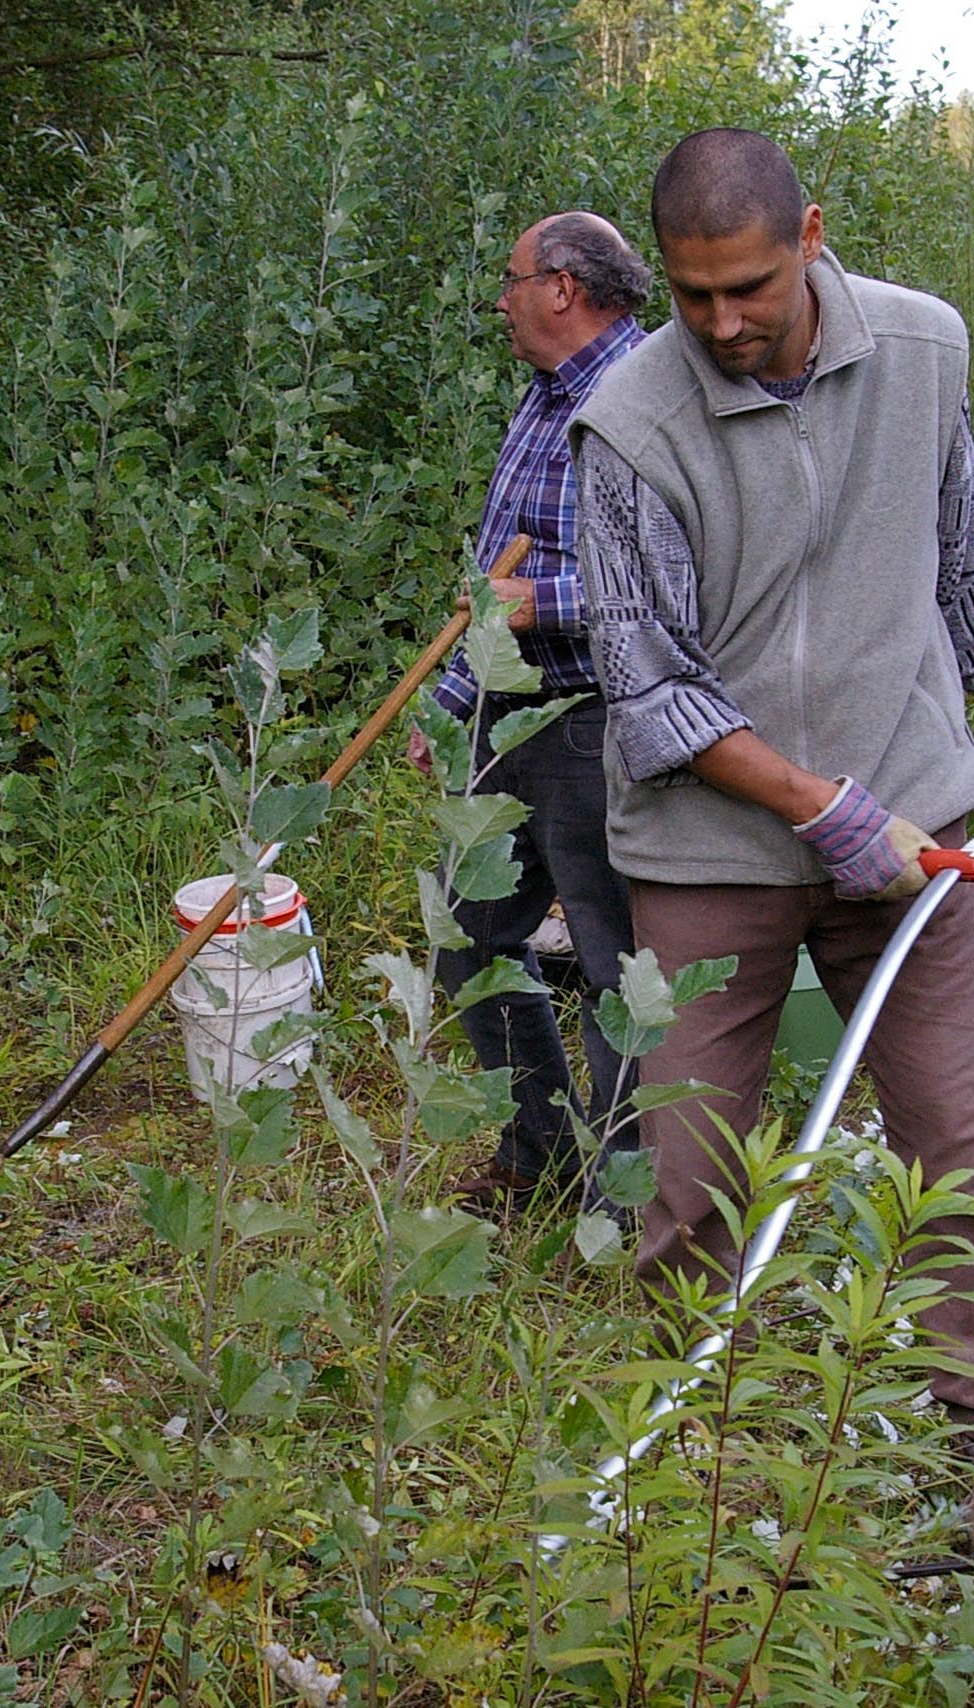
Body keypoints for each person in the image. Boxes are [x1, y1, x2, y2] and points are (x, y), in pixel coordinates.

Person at [570, 130, 974, 1505]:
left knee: (959, 1150)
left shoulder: (924, 355)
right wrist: (829, 813)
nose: (723, 324)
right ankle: (693, 1479)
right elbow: (647, 693)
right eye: (695, 297)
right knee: (691, 1182)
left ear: (810, 233)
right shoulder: (630, 426)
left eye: (749, 287)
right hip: (709, 862)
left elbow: (966, 567)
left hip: (913, 845)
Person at [410, 211, 652, 1217]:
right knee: (468, 935)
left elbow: (677, 591)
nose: (499, 303)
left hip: (596, 718)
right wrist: (452, 697)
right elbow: (490, 579)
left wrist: (537, 603)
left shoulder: (646, 400)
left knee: (611, 971)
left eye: (509, 282)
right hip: (506, 716)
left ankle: (625, 1200)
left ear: (560, 286)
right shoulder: (543, 397)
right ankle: (539, 1147)